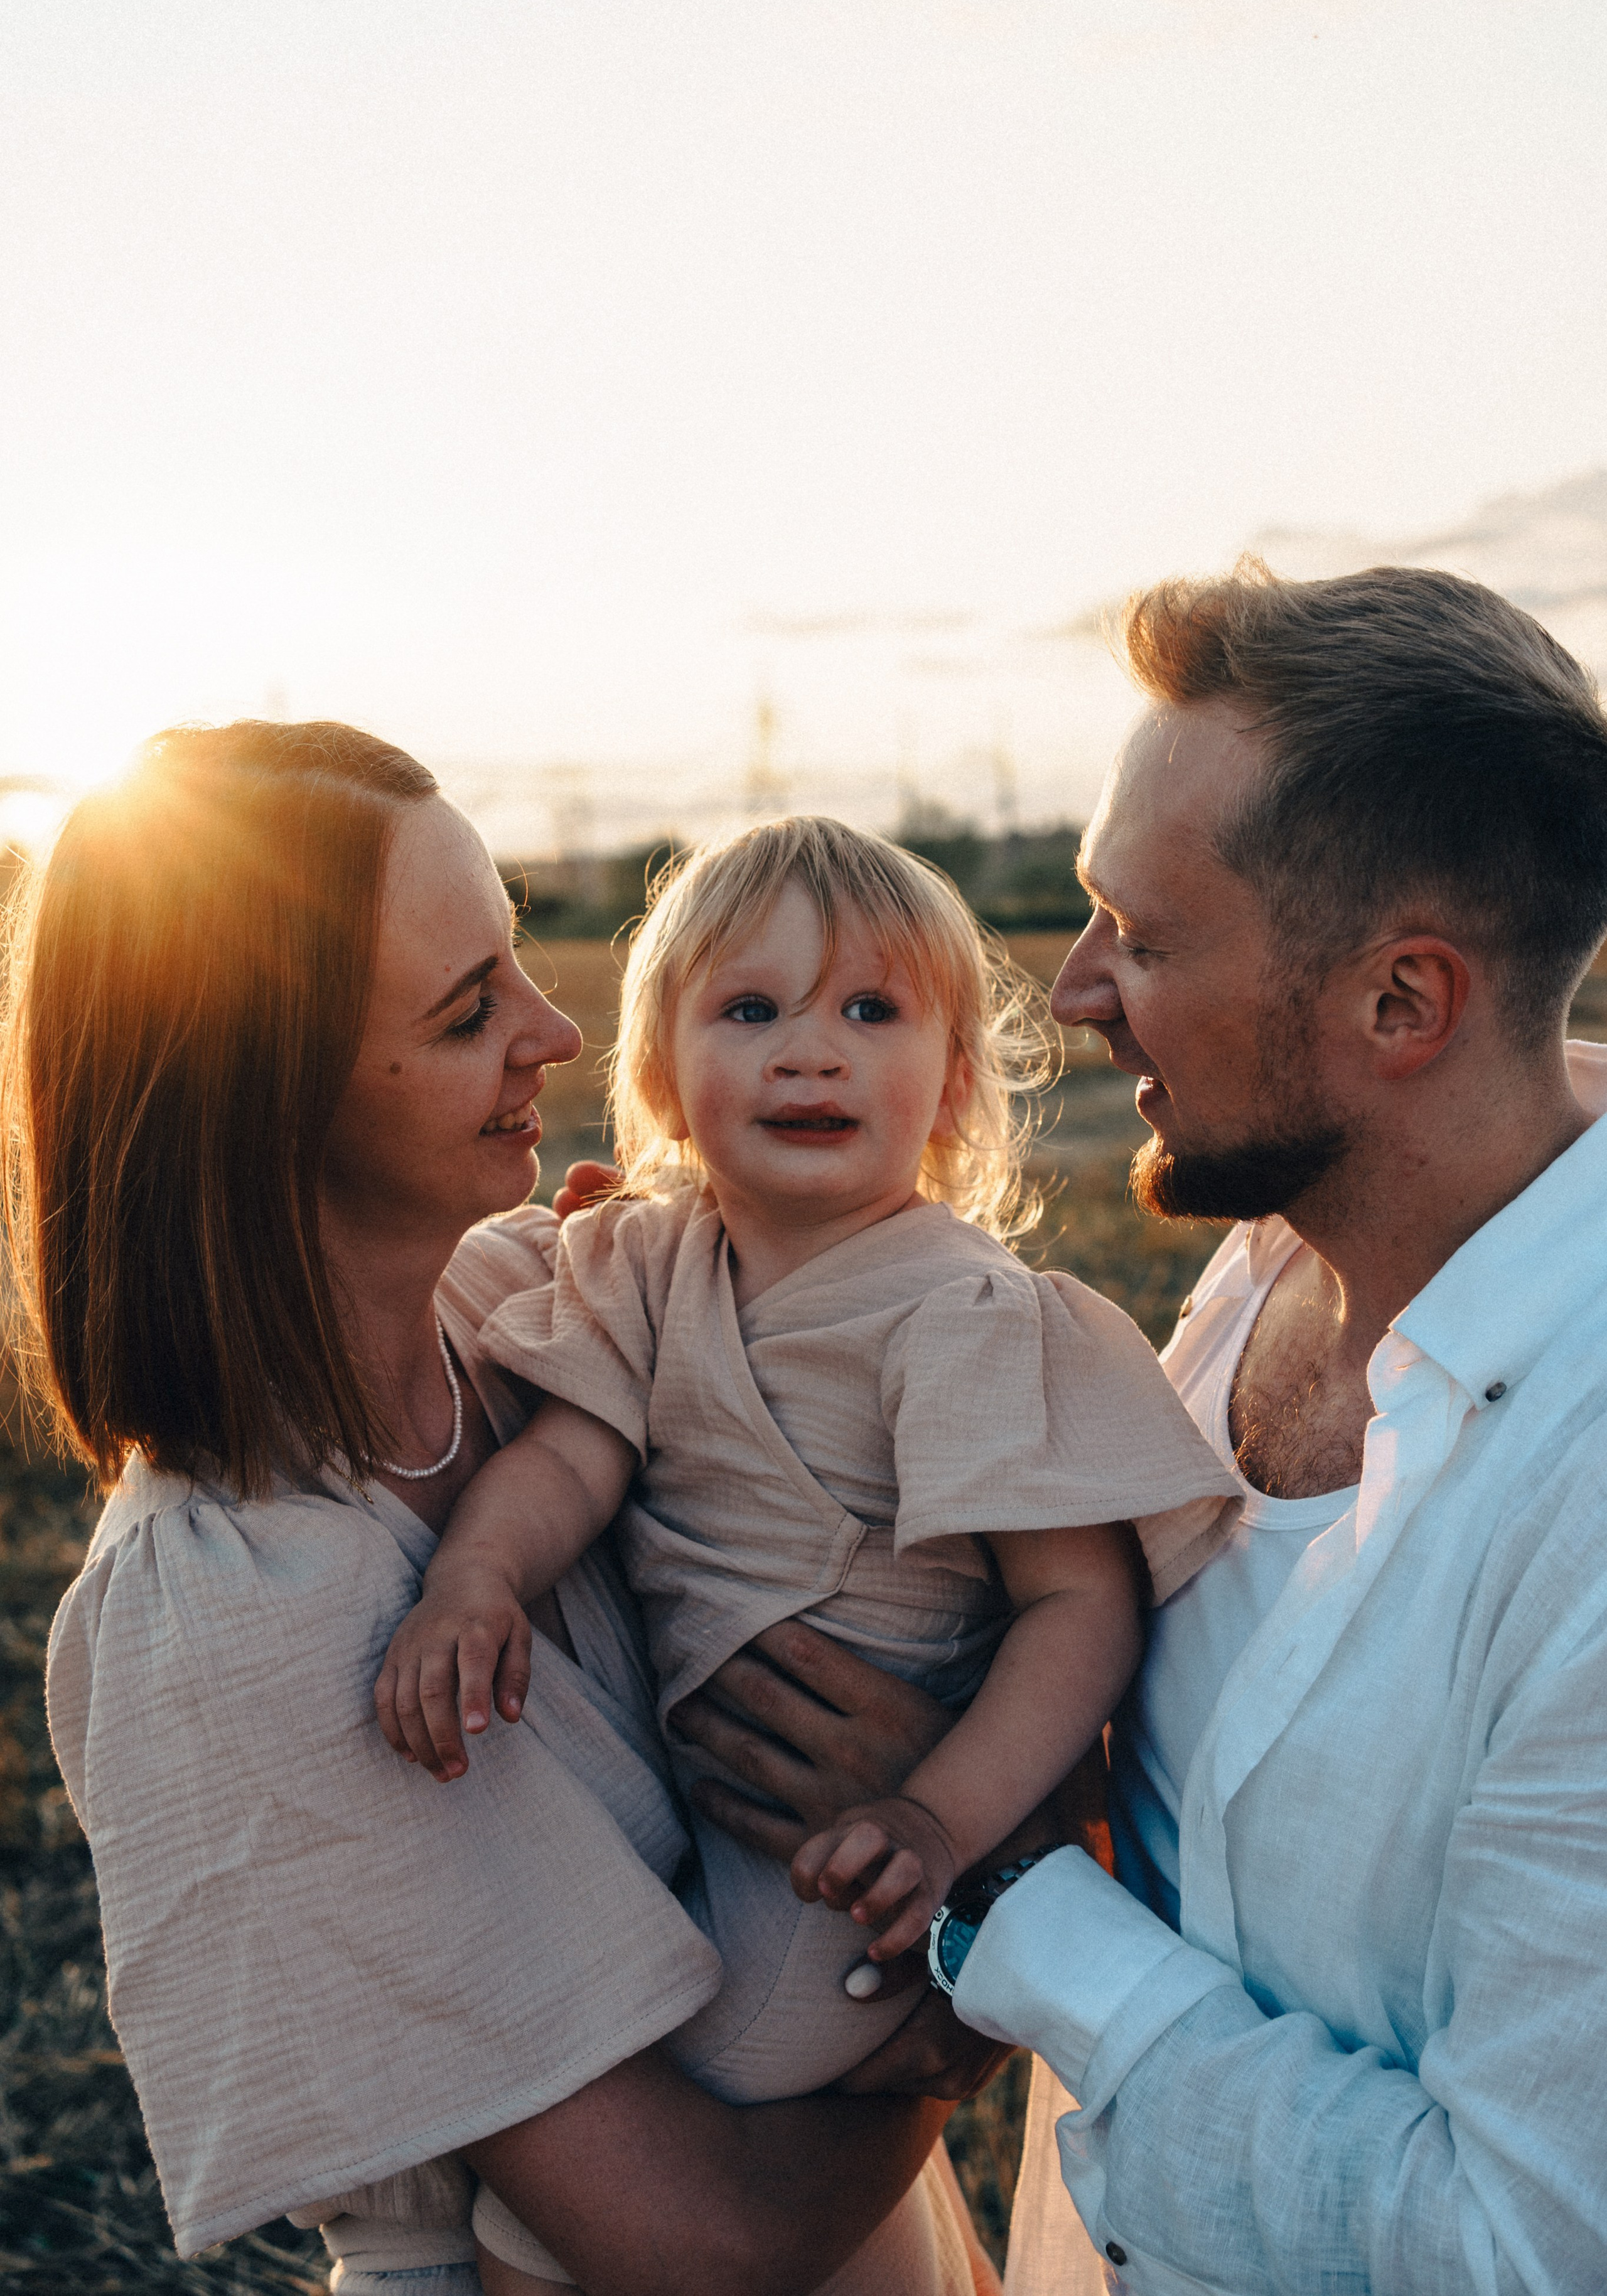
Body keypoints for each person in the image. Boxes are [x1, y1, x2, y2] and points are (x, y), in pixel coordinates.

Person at [695, 561, 1607, 2292]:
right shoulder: (1266, 1268)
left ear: (1402, 1004)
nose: (1075, 988)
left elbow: (1521, 2250)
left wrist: (1015, 1895)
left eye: (1145, 935)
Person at [11, 720, 1004, 2296]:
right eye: (470, 1008)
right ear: (268, 1100)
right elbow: (701, 2239)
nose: (556, 1029)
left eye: (519, 959)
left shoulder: (519, 1309)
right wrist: (985, 1954)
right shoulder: (230, 1611)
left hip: (870, 2226)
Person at [370, 814, 1229, 2289]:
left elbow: (1076, 1607)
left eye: (870, 1011)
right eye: (752, 1010)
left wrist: (938, 1822)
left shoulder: (960, 1314)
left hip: (842, 1863)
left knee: (597, 2199)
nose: (809, 1054)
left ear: (950, 1083)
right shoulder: (650, 1262)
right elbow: (569, 1459)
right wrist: (474, 1575)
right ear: (662, 1074)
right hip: (696, 1819)